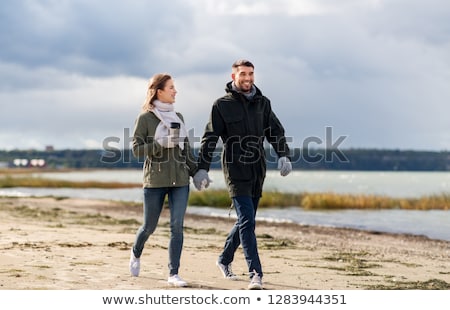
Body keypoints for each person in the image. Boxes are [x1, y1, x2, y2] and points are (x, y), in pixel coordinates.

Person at [193, 59, 292, 290]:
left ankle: (224, 259)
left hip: (258, 169)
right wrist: (201, 168)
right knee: (247, 221)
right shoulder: (221, 105)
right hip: (235, 168)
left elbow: (275, 131)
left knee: (246, 220)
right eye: (243, 74)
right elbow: (210, 138)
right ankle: (255, 274)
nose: (248, 78)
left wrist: (283, 155)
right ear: (233, 76)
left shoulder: (262, 103)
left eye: (251, 74)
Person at [129, 73, 200, 287]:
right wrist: (161, 143)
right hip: (154, 181)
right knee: (149, 226)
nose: (175, 91)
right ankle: (135, 253)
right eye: (171, 87)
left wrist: (197, 172)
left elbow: (186, 149)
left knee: (177, 226)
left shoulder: (179, 117)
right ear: (159, 91)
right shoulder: (145, 118)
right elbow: (136, 150)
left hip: (180, 180)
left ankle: (173, 273)